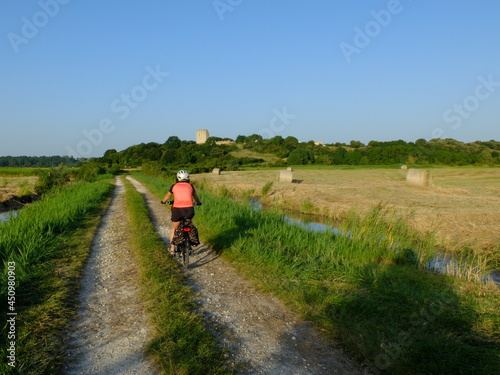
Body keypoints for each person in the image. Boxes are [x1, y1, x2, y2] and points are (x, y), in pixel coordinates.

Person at [161, 170, 201, 255]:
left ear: (177, 178)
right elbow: (195, 197)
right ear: (188, 178)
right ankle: (189, 242)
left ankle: (172, 249)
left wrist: (163, 201)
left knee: (174, 228)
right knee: (189, 224)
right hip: (189, 210)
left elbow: (168, 196)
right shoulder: (191, 186)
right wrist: (198, 202)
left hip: (177, 210)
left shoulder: (174, 186)